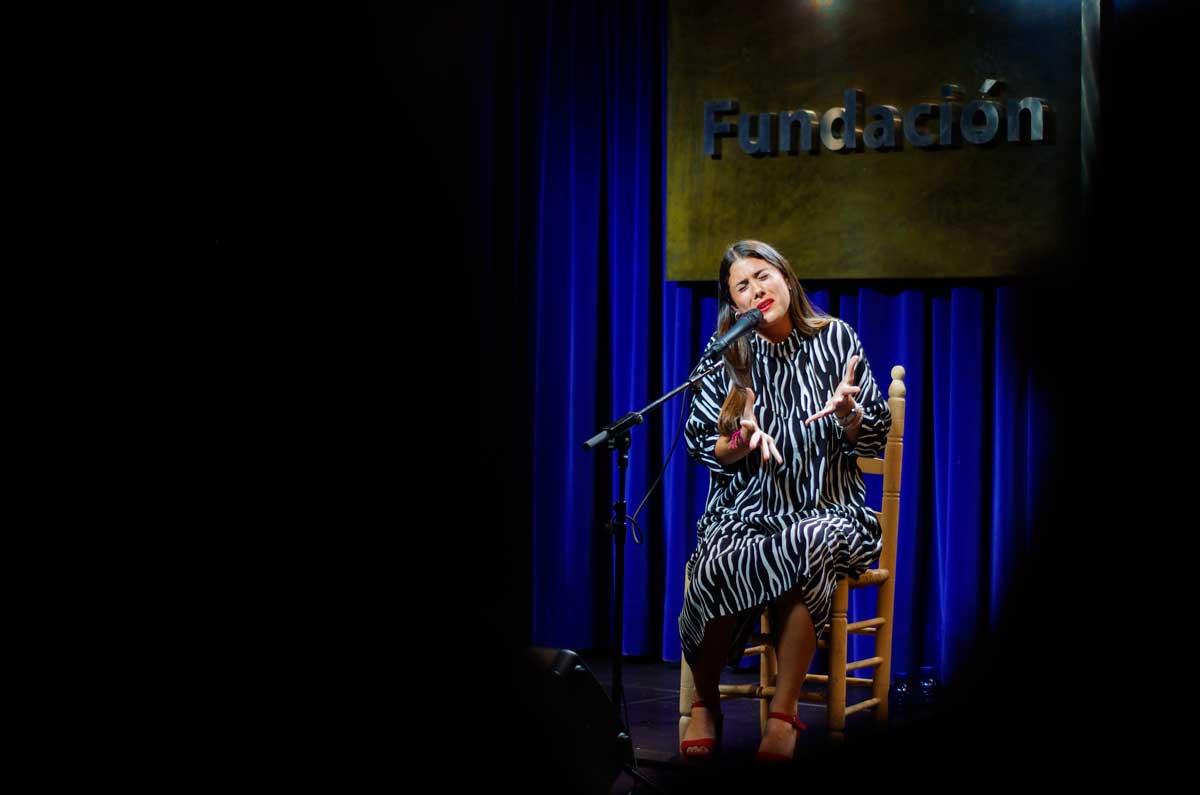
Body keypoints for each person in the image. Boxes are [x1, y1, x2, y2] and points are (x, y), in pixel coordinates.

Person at [678, 240, 891, 764]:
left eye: (762, 276)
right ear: (734, 305)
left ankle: (784, 713)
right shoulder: (726, 352)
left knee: (807, 541)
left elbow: (875, 437)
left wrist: (850, 415)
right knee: (713, 563)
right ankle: (705, 704)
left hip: (828, 506)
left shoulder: (835, 339)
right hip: (746, 512)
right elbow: (705, 443)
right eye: (741, 287)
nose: (756, 291)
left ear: (787, 278)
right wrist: (739, 442)